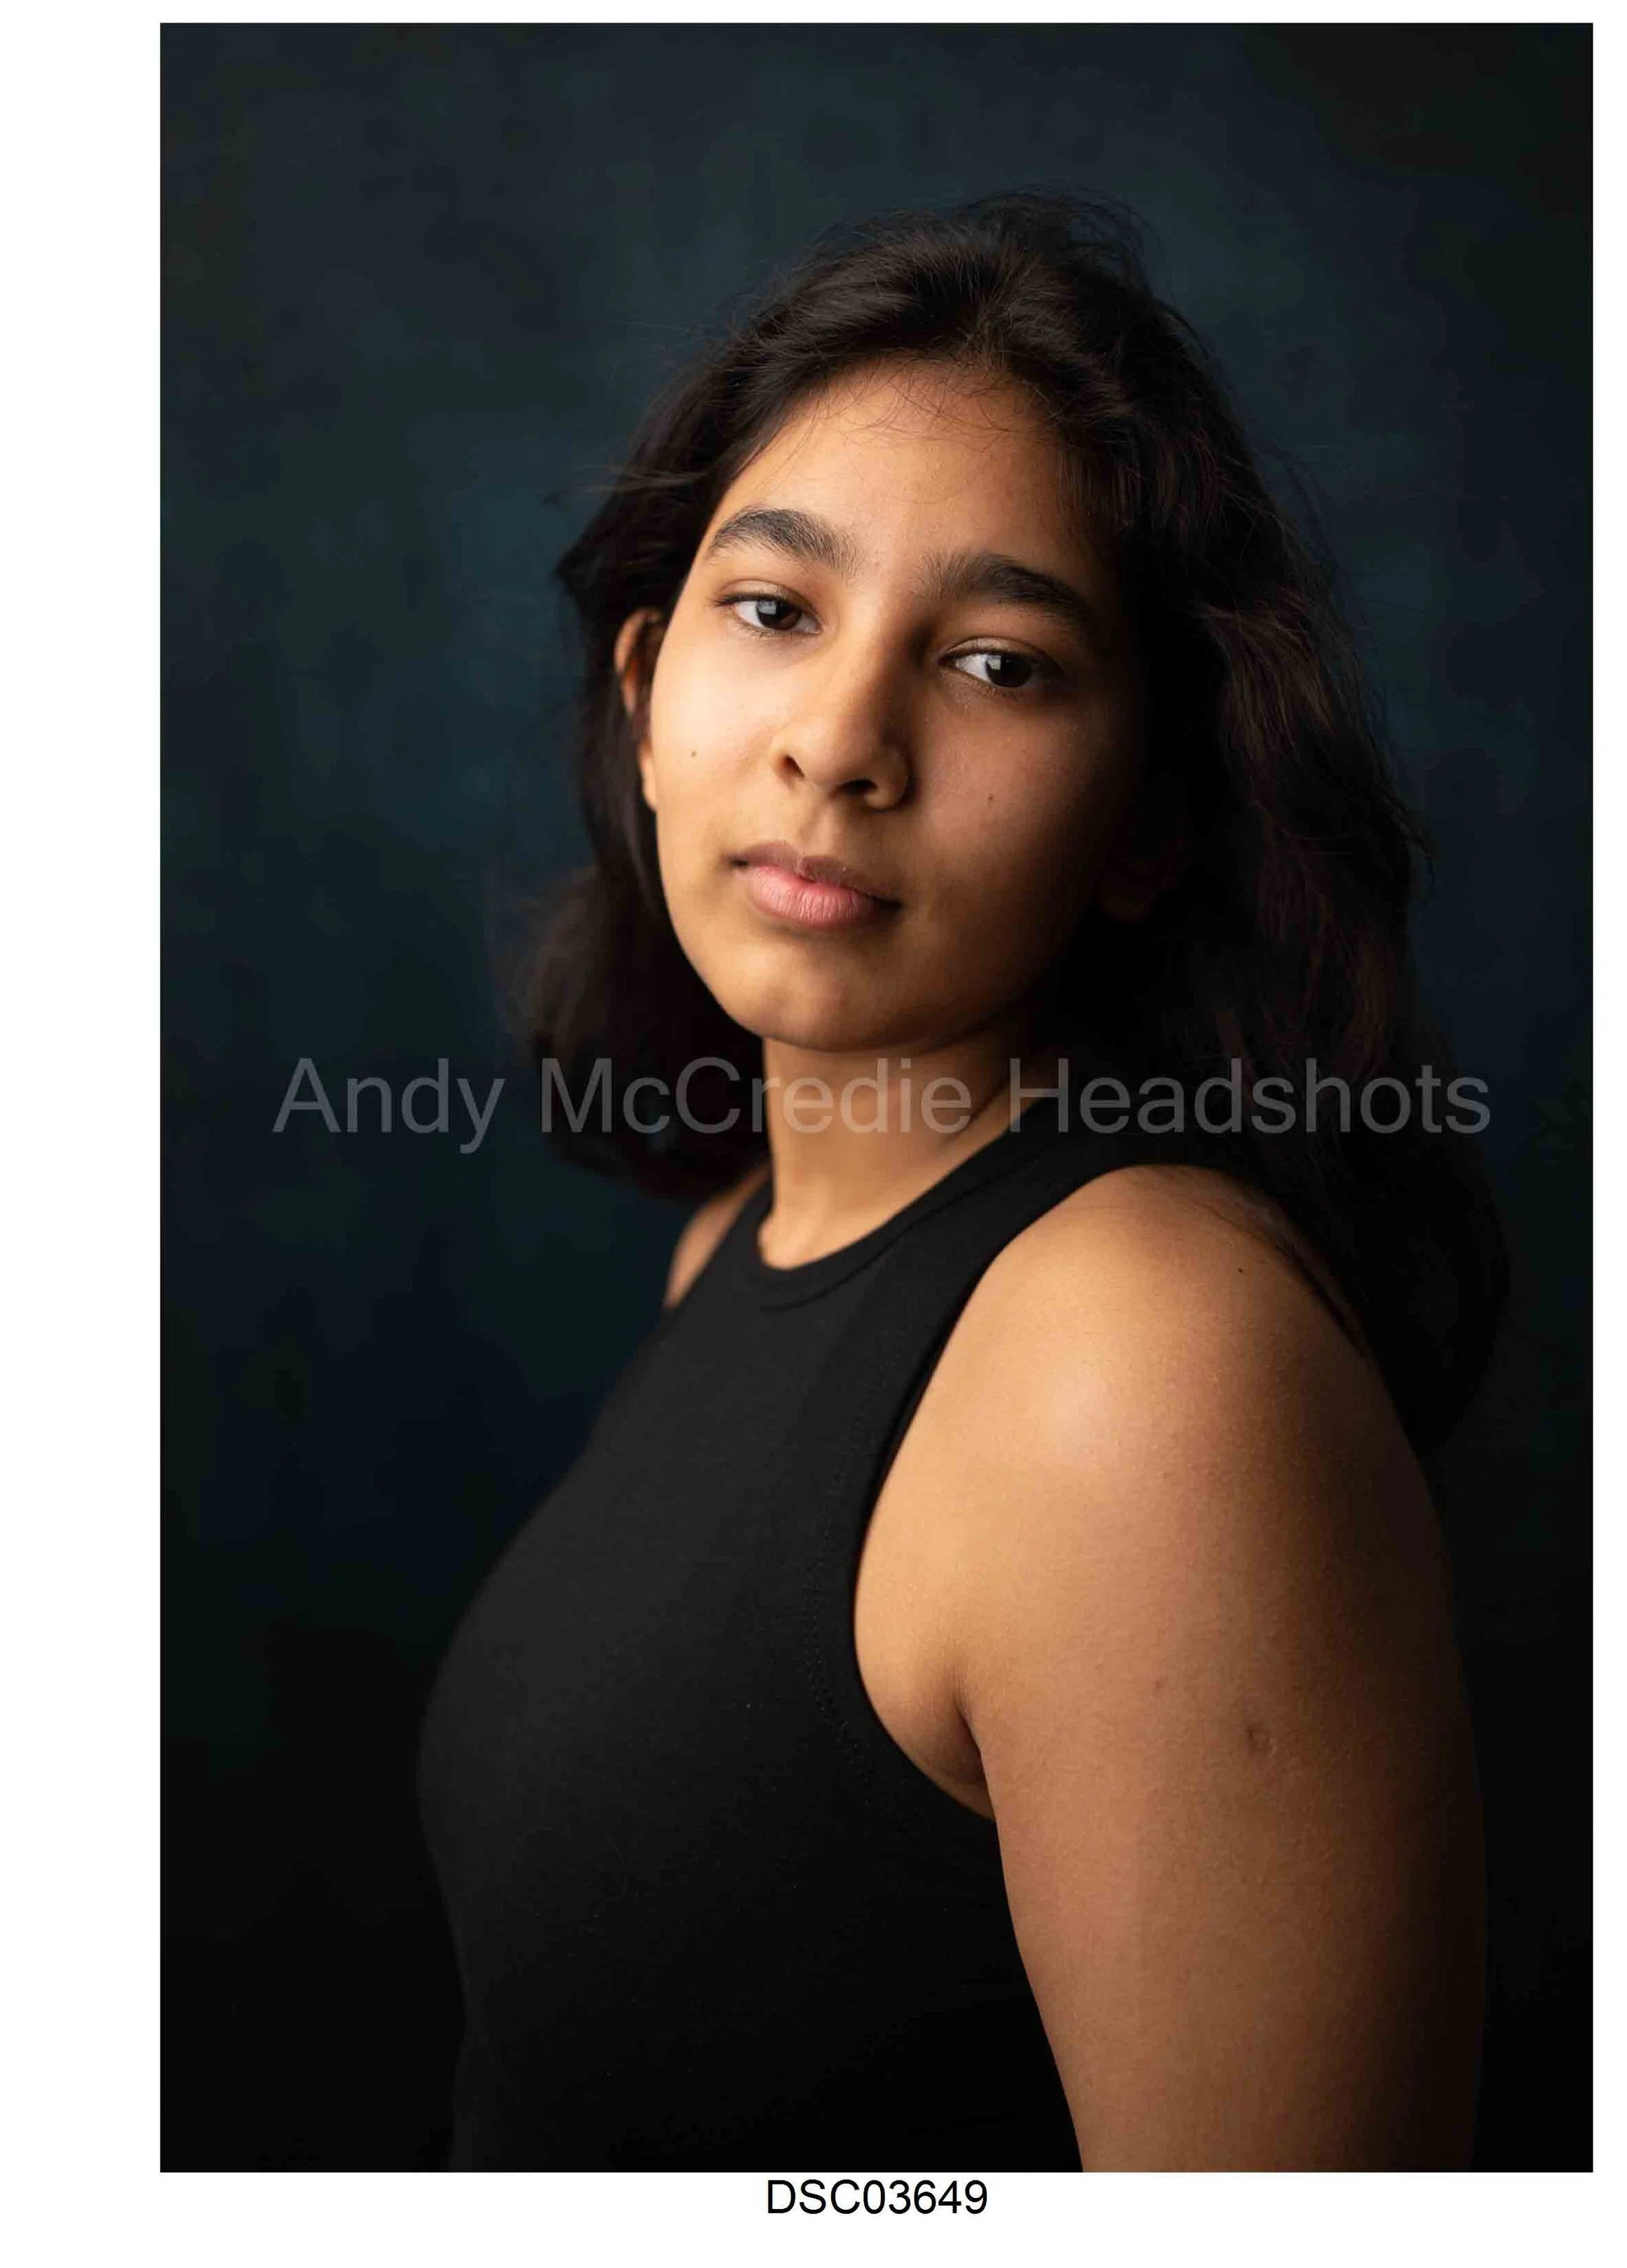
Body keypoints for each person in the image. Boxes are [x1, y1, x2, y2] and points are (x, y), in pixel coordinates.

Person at [415, 191, 1509, 2171]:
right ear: (647, 694)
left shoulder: (1142, 1361)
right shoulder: (733, 1243)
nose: (841, 743)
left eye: (1000, 664)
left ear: (1146, 825)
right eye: (775, 610)